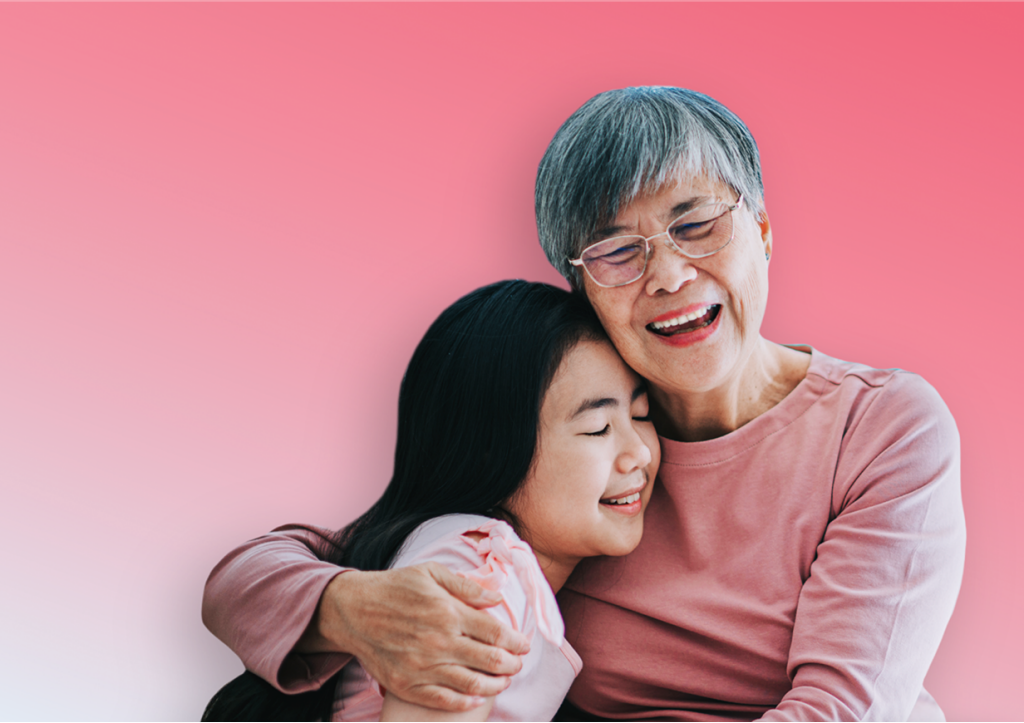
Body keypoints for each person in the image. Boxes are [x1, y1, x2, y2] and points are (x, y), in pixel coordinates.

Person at [203, 87, 965, 720]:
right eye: (615, 250)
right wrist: (353, 609)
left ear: (762, 230)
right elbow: (251, 576)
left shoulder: (881, 427)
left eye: (695, 225)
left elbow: (841, 710)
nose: (666, 274)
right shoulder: (568, 453)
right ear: (583, 289)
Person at [202, 280, 660, 721]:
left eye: (641, 415)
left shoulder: (448, 545)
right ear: (492, 448)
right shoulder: (481, 571)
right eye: (597, 428)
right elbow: (241, 573)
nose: (638, 451)